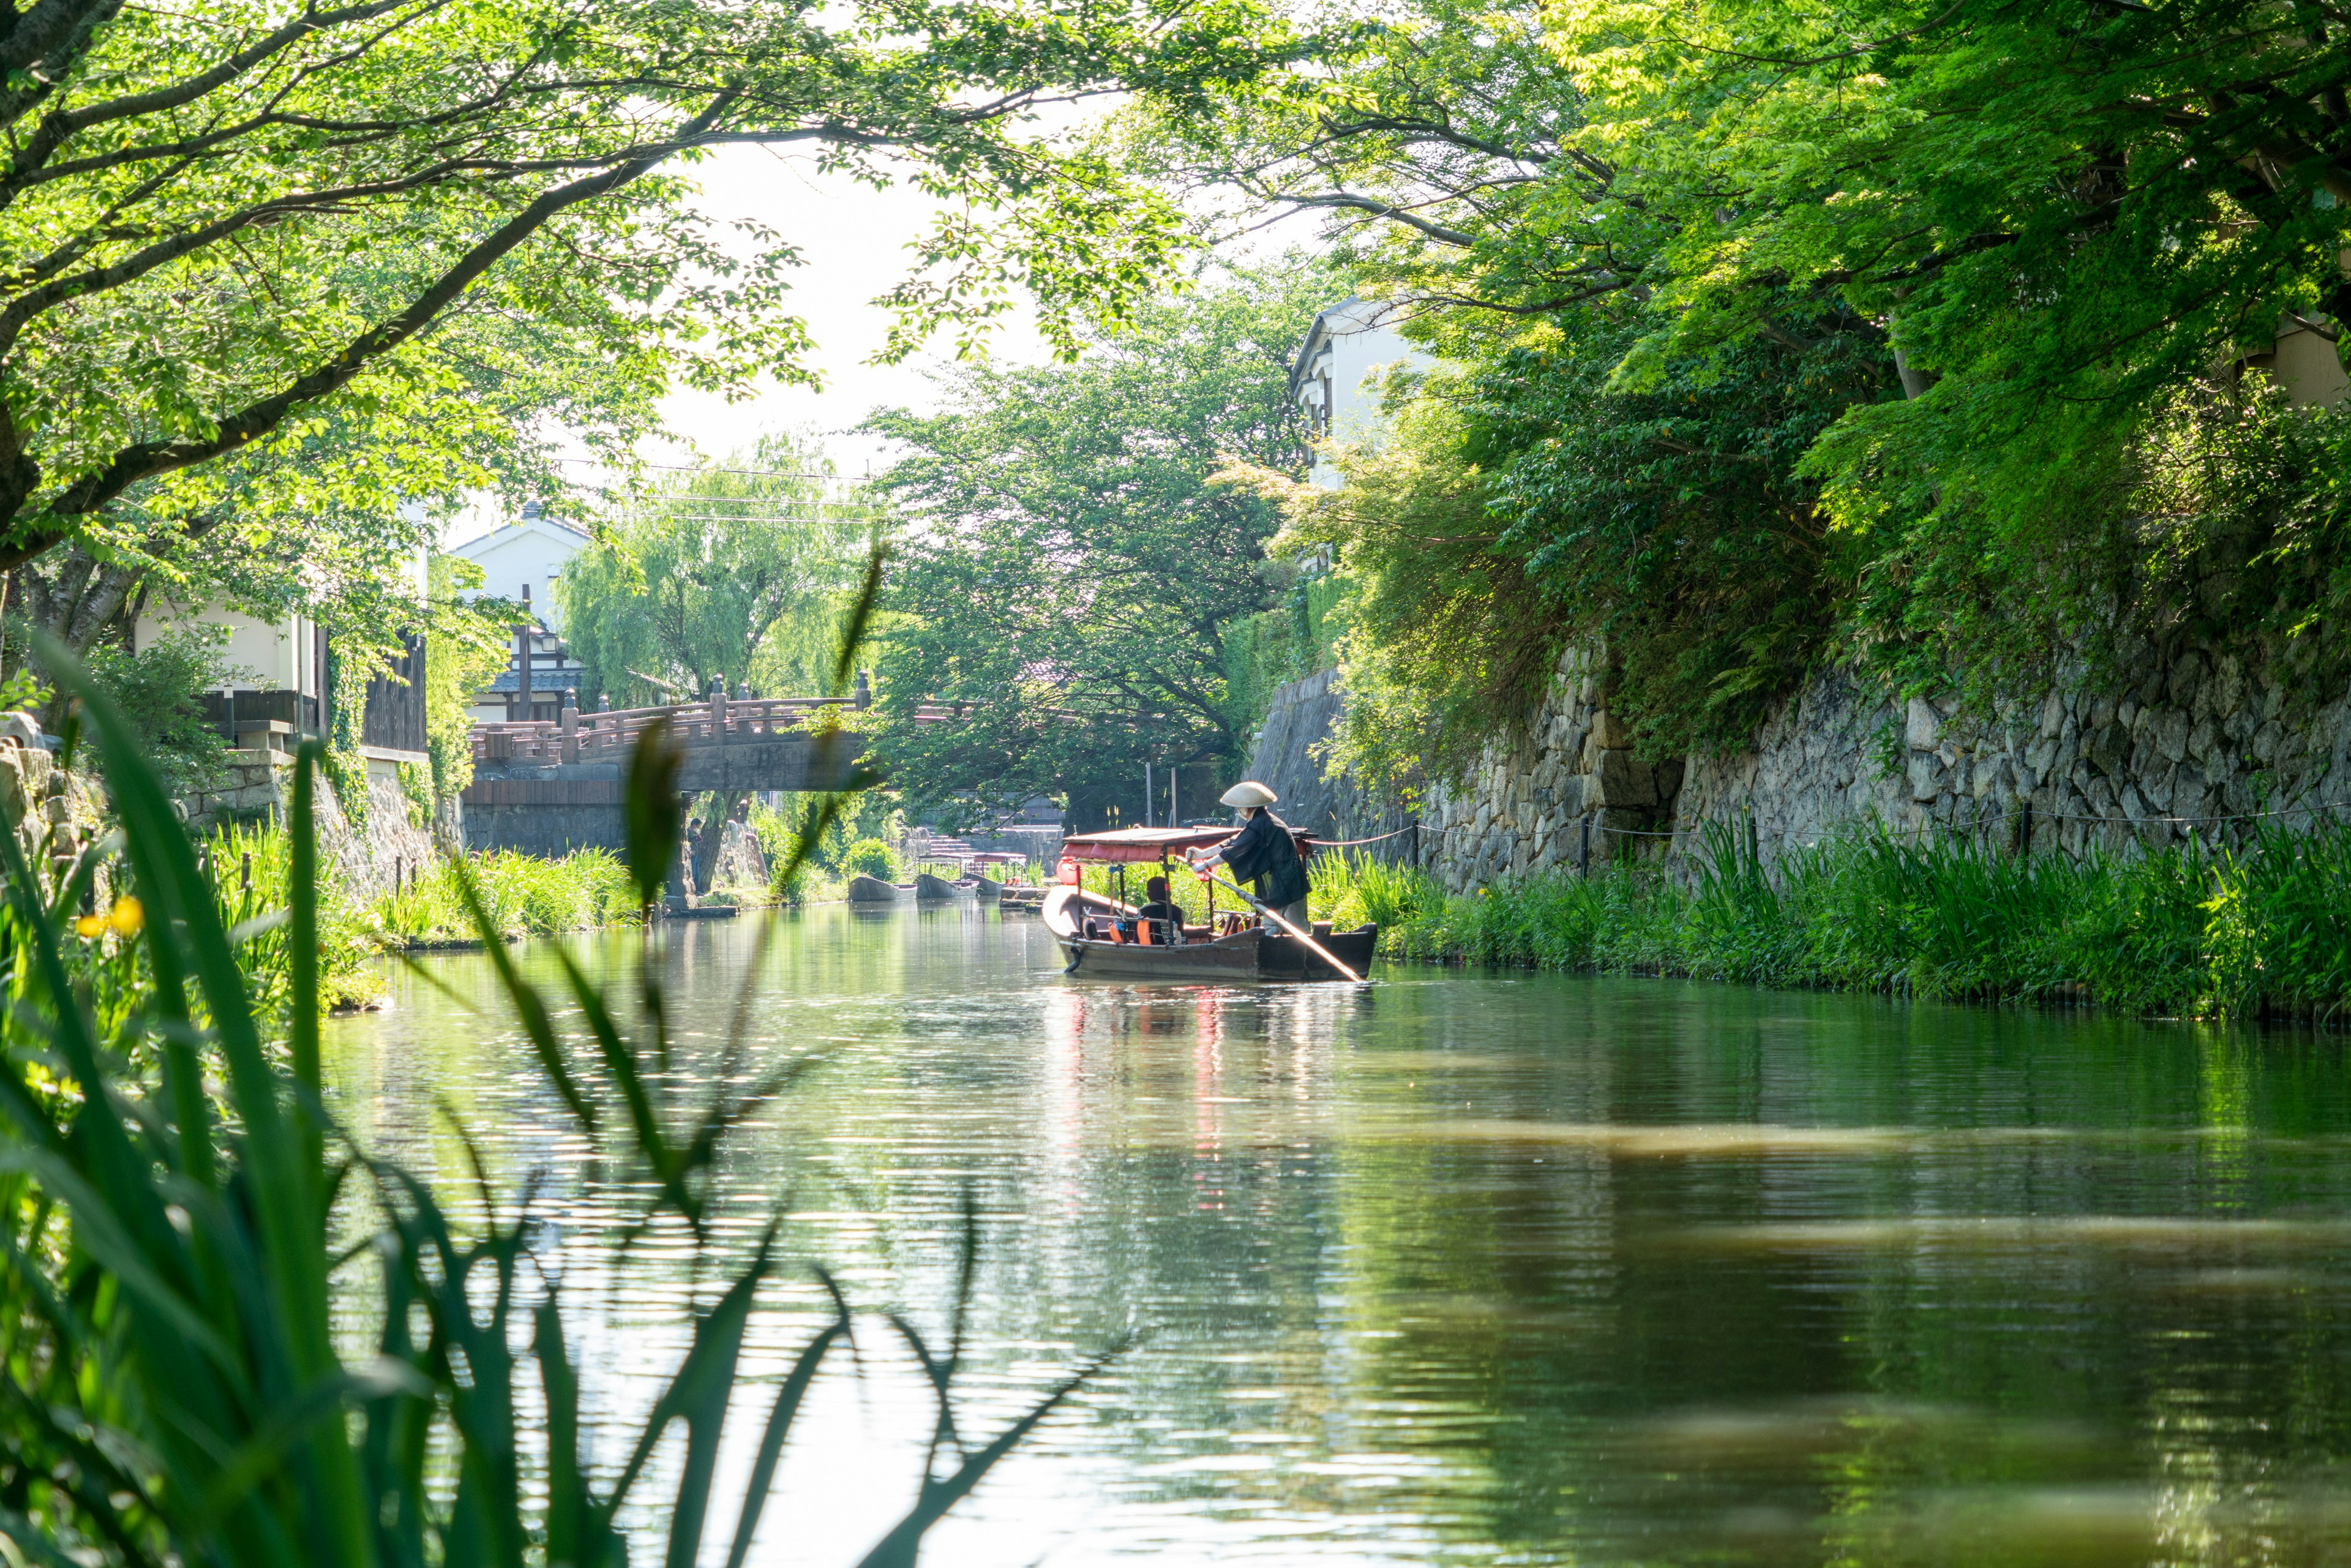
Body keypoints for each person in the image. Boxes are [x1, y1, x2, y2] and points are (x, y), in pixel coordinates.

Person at [1185, 781, 1308, 932]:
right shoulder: (1267, 821)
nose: (1239, 811)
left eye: (1239, 808)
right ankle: (1305, 954)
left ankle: (1267, 954)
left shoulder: (1261, 825)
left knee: (1272, 924)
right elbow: (1233, 842)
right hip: (1294, 880)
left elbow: (1234, 851)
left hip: (1283, 882)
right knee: (1299, 926)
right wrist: (1202, 853)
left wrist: (1205, 865)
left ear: (1246, 808)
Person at [1136, 874, 1187, 942]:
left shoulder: (1143, 911)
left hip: (1152, 949)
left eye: (1148, 891)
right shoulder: (1178, 910)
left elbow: (1139, 935)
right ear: (1169, 893)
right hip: (1177, 946)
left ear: (1150, 893)